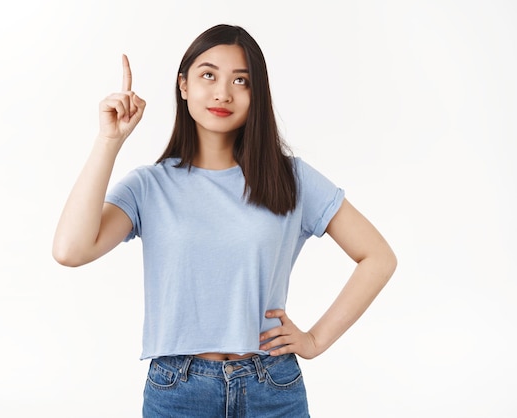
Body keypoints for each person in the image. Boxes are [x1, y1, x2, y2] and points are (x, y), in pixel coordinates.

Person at [53, 23, 397, 418]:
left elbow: (378, 257)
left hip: (272, 386)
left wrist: (316, 340)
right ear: (183, 85)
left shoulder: (290, 178)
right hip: (178, 390)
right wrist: (109, 141)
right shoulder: (150, 186)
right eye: (208, 75)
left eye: (241, 80)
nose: (223, 93)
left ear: (257, 94)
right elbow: (70, 250)